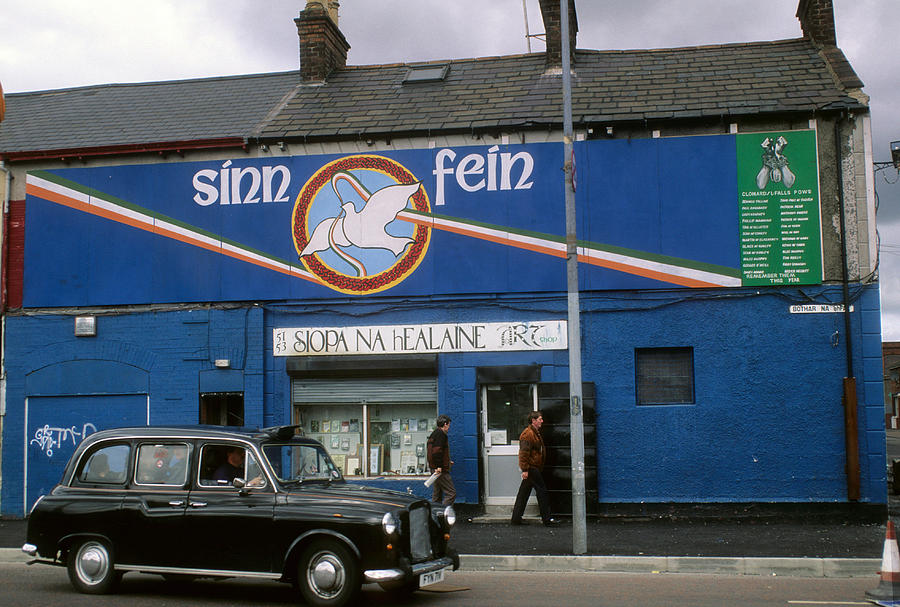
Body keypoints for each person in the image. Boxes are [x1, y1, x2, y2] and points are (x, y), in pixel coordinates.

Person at [511, 411, 558, 526]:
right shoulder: (528, 434)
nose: (542, 421)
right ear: (533, 420)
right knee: (542, 492)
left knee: (523, 493)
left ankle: (516, 519)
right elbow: (523, 453)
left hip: (532, 467)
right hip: (531, 468)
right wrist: (525, 470)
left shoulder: (534, 433)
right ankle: (547, 519)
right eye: (540, 419)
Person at [427, 414, 456, 505]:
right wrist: (439, 466)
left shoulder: (434, 433)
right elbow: (437, 452)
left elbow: (434, 452)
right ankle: (444, 513)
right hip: (439, 470)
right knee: (451, 493)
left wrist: (447, 461)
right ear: (445, 424)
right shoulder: (441, 434)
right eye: (449, 425)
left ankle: (434, 514)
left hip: (434, 468)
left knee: (437, 494)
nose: (449, 427)